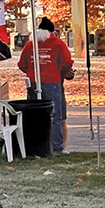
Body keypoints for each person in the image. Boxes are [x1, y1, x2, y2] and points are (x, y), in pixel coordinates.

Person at [18, 17, 74, 153]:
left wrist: (31, 72)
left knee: (33, 115)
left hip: (33, 81)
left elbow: (22, 64)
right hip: (52, 82)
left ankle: (34, 146)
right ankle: (56, 147)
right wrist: (60, 72)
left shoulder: (30, 44)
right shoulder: (57, 43)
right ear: (51, 31)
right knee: (54, 115)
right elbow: (67, 61)